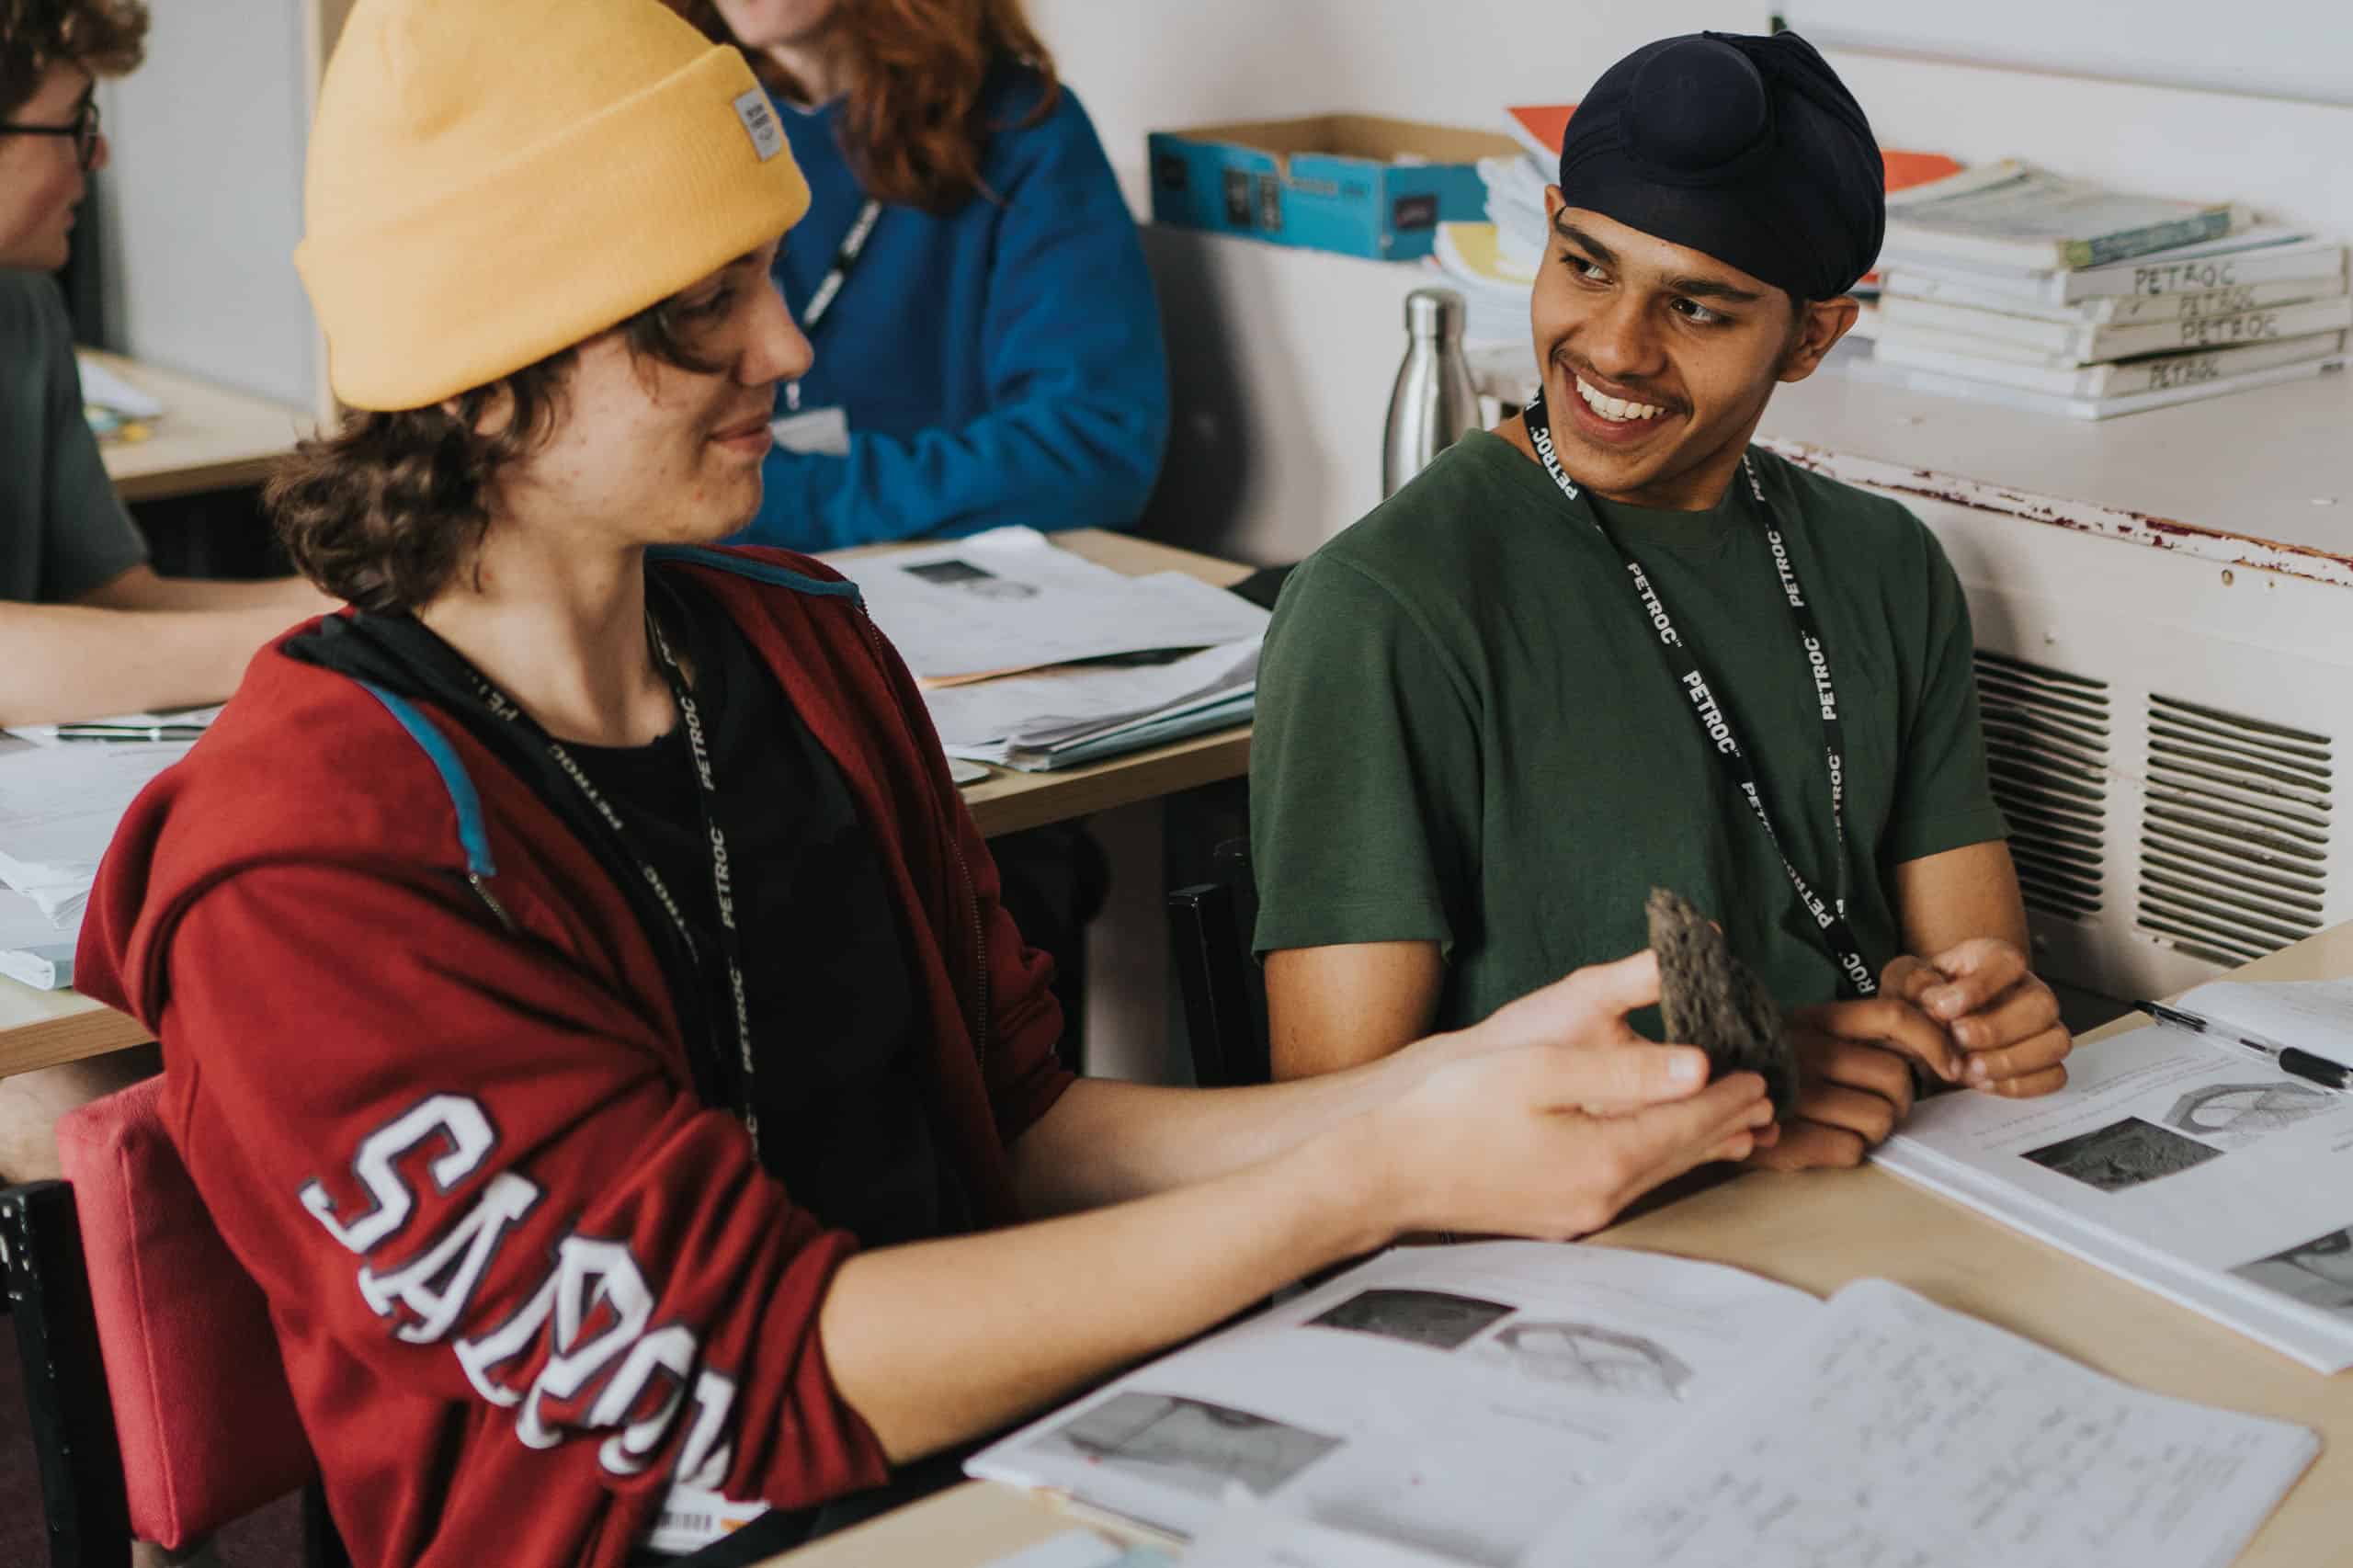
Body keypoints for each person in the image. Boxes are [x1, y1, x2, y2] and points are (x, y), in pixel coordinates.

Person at [74, 5, 1775, 1565]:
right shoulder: (306, 867)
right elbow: (741, 1377)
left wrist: (1435, 1092)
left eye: (769, 275)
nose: (786, 350)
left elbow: (1022, 1128)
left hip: (1007, 1469)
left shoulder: (806, 653)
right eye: (701, 309)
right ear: (490, 369)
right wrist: (1370, 1183)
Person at [1248, 30, 2073, 1170]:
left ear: (1813, 336)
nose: (1614, 349)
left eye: (1697, 309)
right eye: (1586, 265)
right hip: (1581, 1255)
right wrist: (1738, 1091)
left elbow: (1977, 961)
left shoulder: (1886, 562)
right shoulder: (1383, 605)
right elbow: (1336, 1130)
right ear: (1544, 231)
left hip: (1893, 1192)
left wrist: (1984, 1016)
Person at [0, 0, 336, 1189]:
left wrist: (357, 603)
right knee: (109, 1115)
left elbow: (118, 593)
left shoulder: (26, 311)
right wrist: (304, 633)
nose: (96, 157)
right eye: (72, 121)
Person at [676, 0, 1169, 550]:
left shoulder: (1021, 127)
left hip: (959, 588)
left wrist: (770, 498)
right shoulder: (671, 131)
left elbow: (1092, 453)